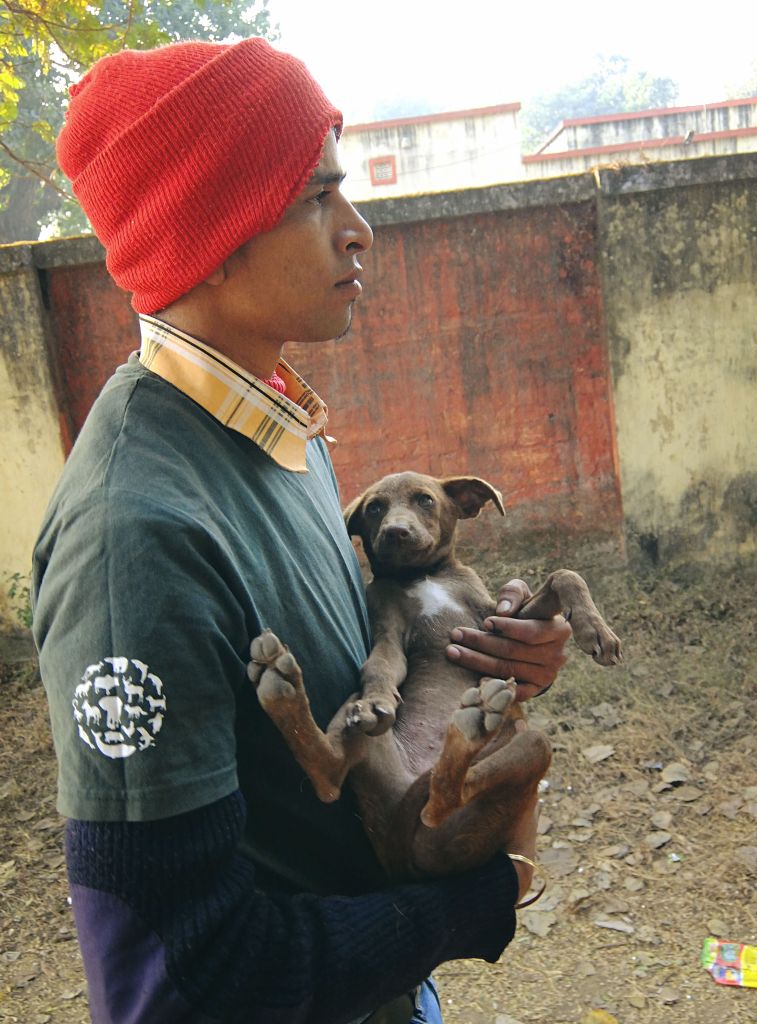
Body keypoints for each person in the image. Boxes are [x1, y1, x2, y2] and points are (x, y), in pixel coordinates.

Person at [32, 37, 572, 1024]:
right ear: (212, 231)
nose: (359, 230)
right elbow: (184, 982)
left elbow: (349, 676)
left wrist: (484, 654)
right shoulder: (133, 541)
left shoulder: (281, 425)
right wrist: (479, 895)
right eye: (317, 197)